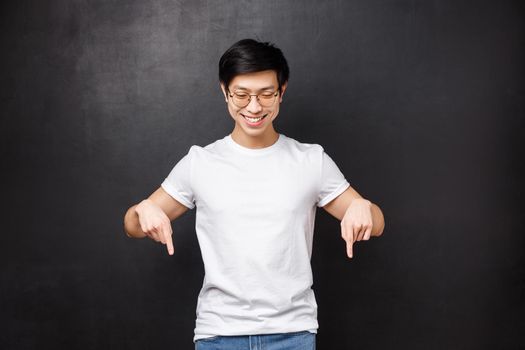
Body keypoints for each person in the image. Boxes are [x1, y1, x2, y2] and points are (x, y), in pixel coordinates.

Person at [123, 38, 385, 350]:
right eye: (242, 95)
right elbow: (132, 226)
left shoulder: (310, 160)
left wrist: (362, 206)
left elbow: (377, 222)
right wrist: (143, 209)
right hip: (218, 335)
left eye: (266, 94)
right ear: (224, 92)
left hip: (293, 334)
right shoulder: (200, 162)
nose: (254, 107)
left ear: (282, 91)